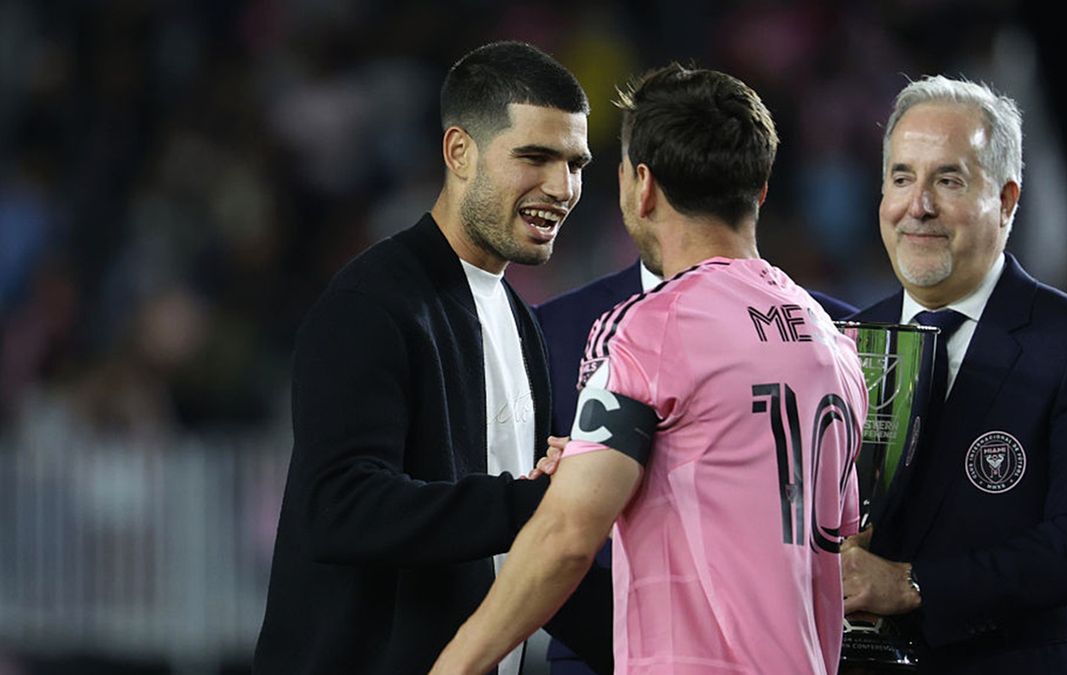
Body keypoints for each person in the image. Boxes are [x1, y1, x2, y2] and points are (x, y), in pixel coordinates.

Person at [432, 63, 867, 675]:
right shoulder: (832, 342)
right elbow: (830, 538)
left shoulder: (650, 327)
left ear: (642, 184)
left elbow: (566, 538)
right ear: (760, 190)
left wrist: (454, 666)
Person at [252, 41, 612, 675]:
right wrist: (529, 504)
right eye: (535, 157)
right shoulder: (370, 303)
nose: (562, 188)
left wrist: (671, 650)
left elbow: (524, 551)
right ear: (459, 152)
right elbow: (341, 509)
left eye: (575, 163)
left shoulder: (519, 320)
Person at [840, 75, 1067, 674]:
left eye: (948, 180)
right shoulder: (845, 343)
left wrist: (913, 584)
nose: (918, 206)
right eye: (901, 178)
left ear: (1006, 200)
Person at [534, 197, 860, 675]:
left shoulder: (840, 331)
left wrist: (462, 658)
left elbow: (565, 534)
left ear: (638, 184)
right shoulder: (552, 326)